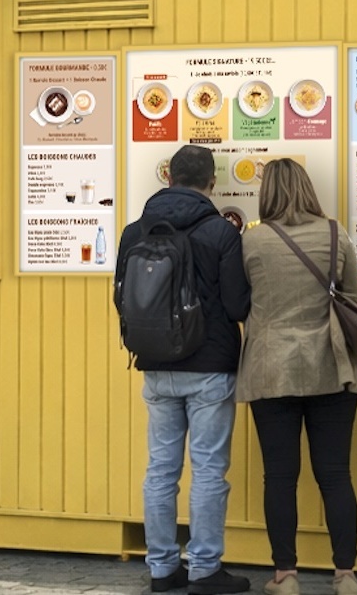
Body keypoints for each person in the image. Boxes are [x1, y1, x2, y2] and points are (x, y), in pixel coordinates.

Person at [115, 144, 252, 595]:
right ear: (211, 182)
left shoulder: (136, 231)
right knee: (209, 469)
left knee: (160, 469)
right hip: (210, 367)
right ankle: (205, 569)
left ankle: (161, 568)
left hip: (155, 363)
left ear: (168, 178)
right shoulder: (220, 232)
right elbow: (236, 305)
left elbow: (122, 297)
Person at [236, 160, 357, 595]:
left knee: (279, 475)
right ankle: (346, 576)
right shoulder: (336, 234)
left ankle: (286, 575)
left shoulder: (251, 241)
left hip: (271, 368)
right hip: (331, 366)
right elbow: (352, 297)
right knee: (335, 473)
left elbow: (239, 303)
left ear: (267, 192)